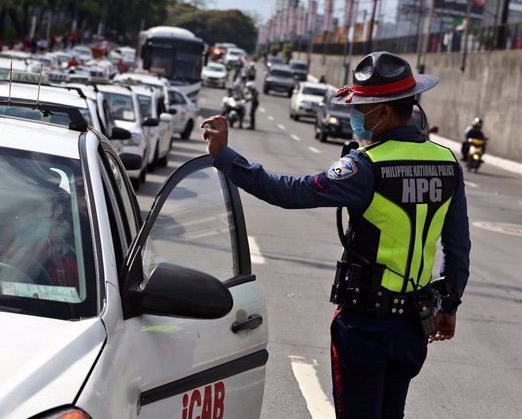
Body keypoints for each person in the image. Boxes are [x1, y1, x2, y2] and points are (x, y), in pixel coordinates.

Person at [201, 51, 471, 419]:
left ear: (385, 111)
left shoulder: (366, 165)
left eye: (360, 107)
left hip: (365, 327)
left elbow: (289, 191)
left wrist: (226, 157)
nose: (354, 115)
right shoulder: (447, 162)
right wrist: (450, 305)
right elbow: (458, 247)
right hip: (413, 325)